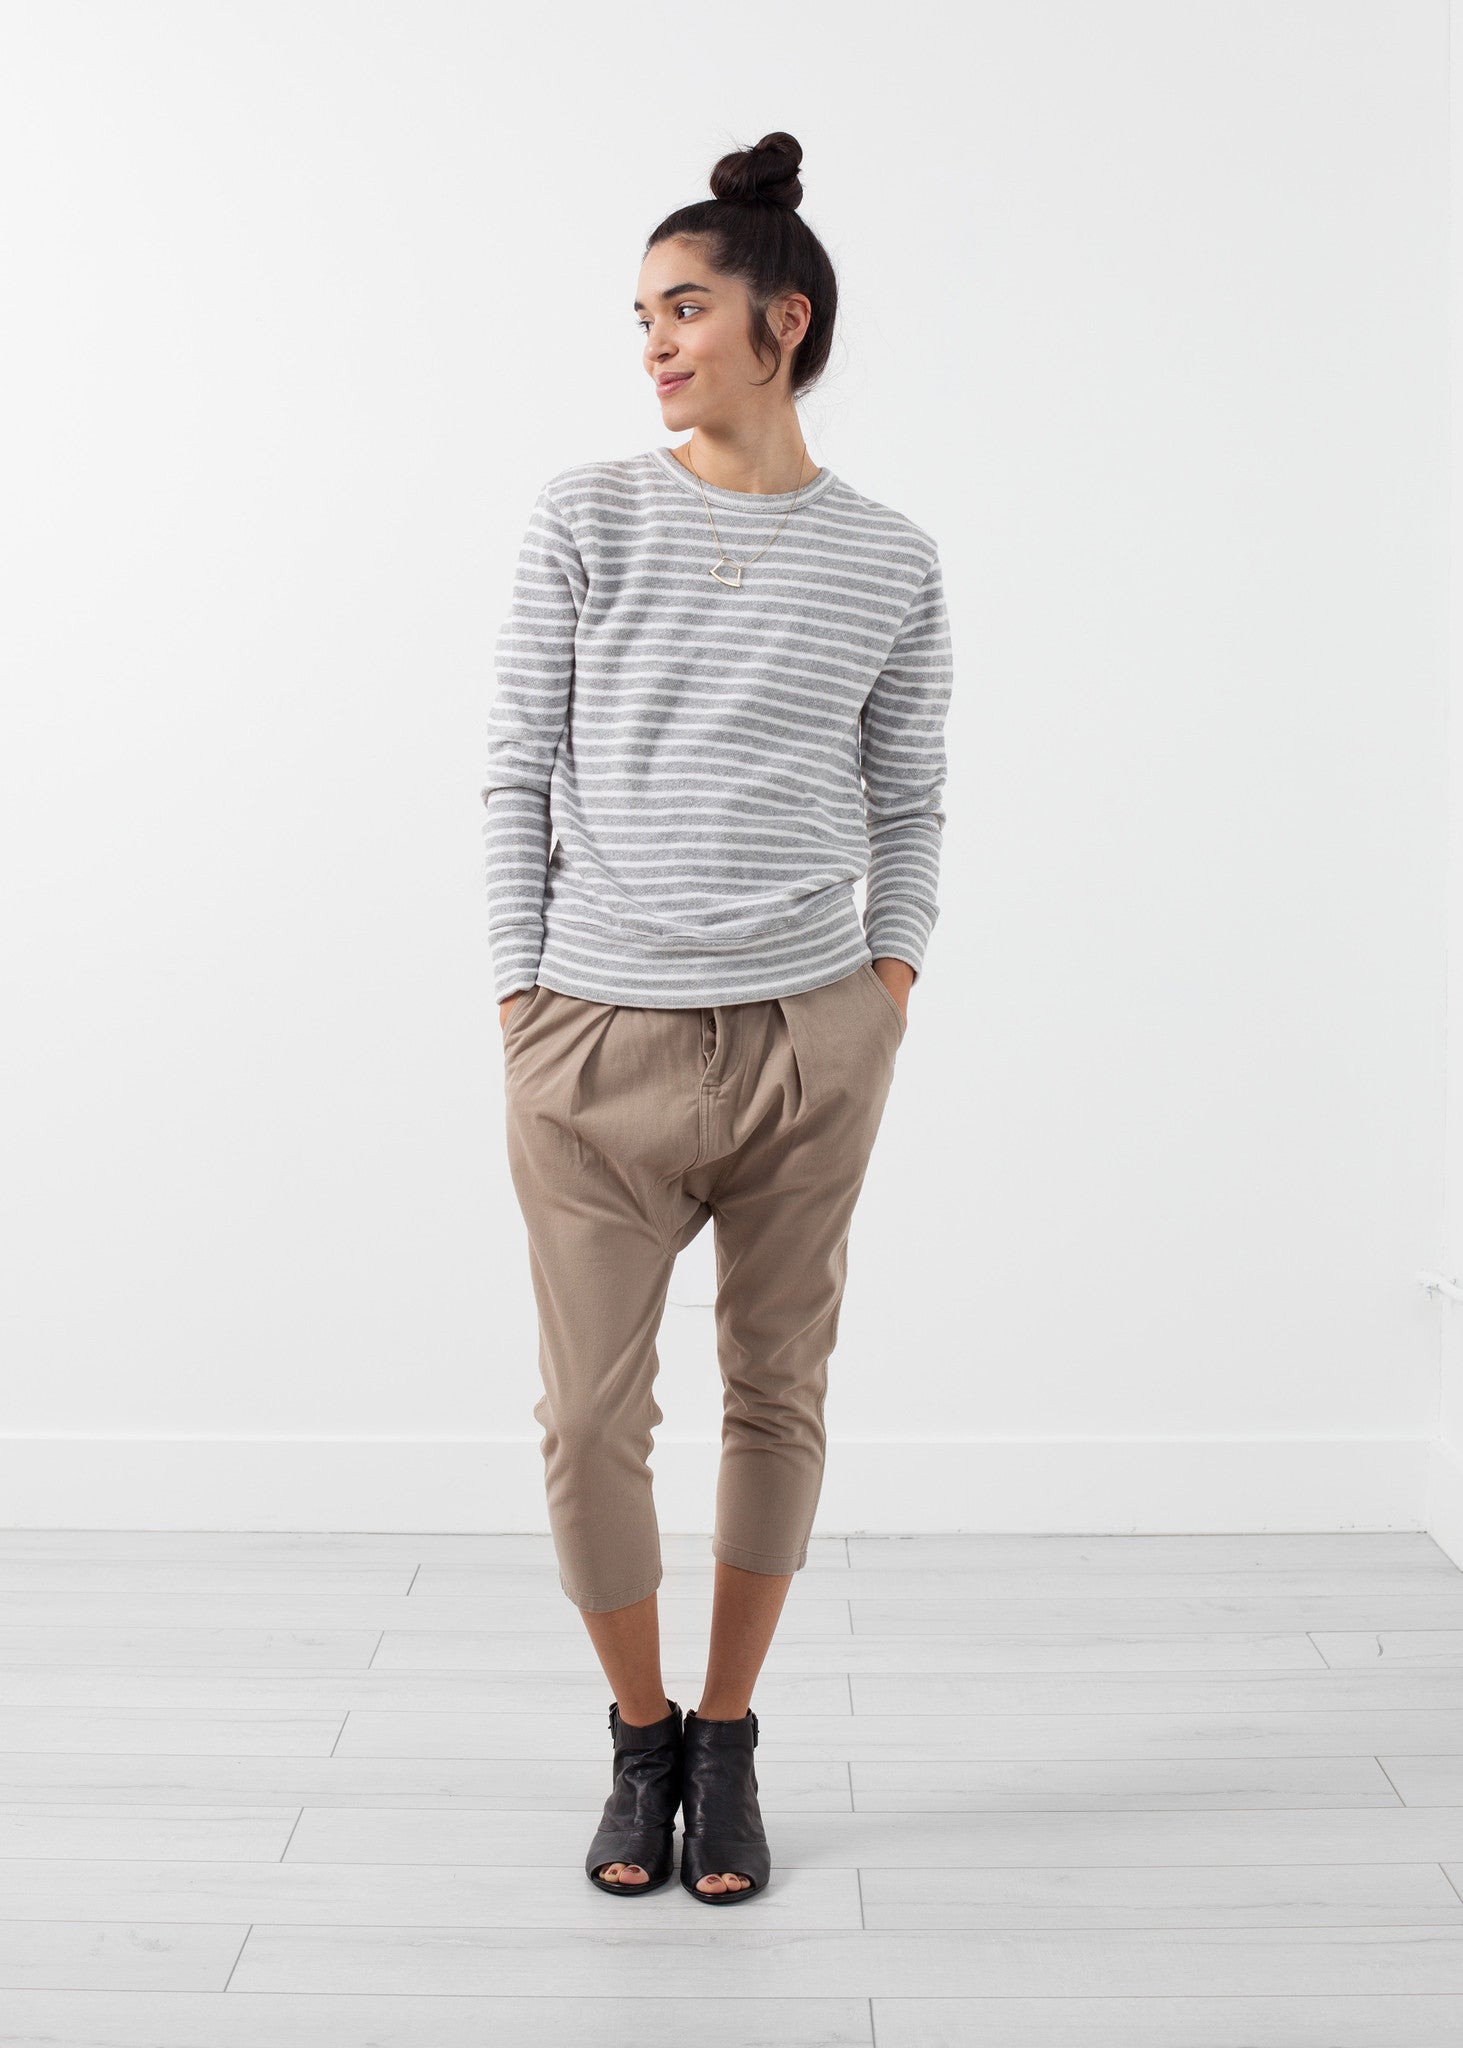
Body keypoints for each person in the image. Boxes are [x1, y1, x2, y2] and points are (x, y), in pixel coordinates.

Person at [480, 130, 954, 1905]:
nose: (656, 343)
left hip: (808, 1039)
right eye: (642, 318)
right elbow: (515, 769)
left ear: (783, 321)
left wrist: (883, 993)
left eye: (684, 308)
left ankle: (729, 1739)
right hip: (590, 1041)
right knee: (588, 1425)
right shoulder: (585, 515)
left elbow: (910, 800)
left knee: (779, 1395)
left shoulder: (891, 559)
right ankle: (640, 1737)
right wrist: (521, 999)